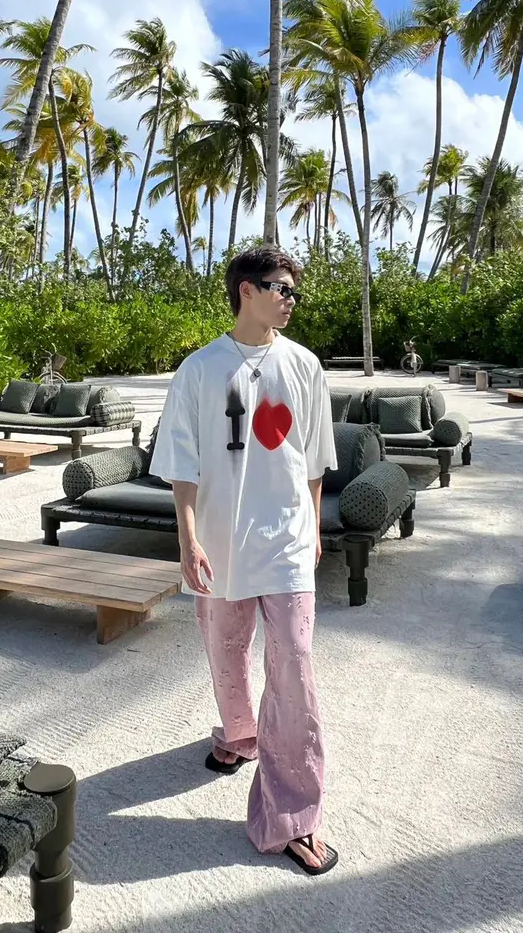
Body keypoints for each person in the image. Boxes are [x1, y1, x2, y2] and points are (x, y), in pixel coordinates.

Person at [150, 246, 339, 876]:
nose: (289, 299)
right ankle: (238, 734)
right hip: (221, 541)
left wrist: (314, 524)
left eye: (293, 290)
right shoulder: (200, 369)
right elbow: (180, 462)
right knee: (225, 647)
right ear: (245, 291)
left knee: (295, 664)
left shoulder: (305, 365)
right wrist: (188, 539)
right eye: (279, 287)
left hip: (286, 541)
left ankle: (292, 815)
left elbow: (313, 456)